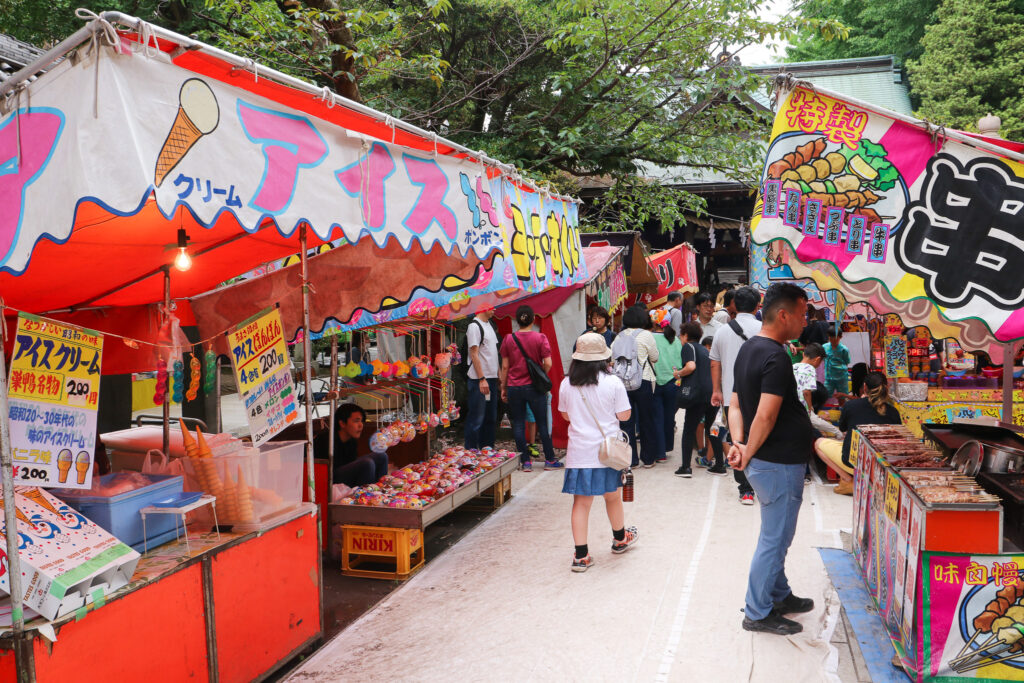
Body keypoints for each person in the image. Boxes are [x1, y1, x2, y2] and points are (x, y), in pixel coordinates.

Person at [726, 283, 815, 636]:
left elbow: (735, 405)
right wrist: (746, 448)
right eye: (802, 314)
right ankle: (758, 611)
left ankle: (779, 594)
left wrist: (739, 443)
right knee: (775, 539)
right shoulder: (776, 356)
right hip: (777, 462)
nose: (804, 322)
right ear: (783, 315)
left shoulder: (751, 348)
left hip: (766, 460)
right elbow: (765, 415)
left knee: (776, 533)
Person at [557, 333, 638, 572]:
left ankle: (581, 556)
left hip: (579, 452)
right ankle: (620, 538)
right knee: (612, 496)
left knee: (581, 503)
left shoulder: (566, 383)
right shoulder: (613, 383)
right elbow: (625, 416)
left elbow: (565, 415)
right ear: (604, 357)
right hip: (607, 452)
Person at [710, 286, 762, 505]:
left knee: (737, 440)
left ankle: (746, 489)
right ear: (758, 306)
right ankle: (762, 483)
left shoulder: (722, 331)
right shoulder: (764, 328)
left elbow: (715, 363)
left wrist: (716, 390)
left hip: (733, 399)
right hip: (762, 396)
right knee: (760, 438)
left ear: (733, 305)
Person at [814, 372, 901, 495]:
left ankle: (847, 479)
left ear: (864, 387)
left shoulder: (851, 406)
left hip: (854, 461)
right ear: (886, 388)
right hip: (882, 464)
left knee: (818, 443)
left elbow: (843, 428)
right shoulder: (893, 411)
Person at [500, 305, 561, 471]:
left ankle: (525, 462)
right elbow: (548, 363)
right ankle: (549, 459)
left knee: (519, 424)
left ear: (517, 321)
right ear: (534, 319)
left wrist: (503, 387)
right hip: (534, 388)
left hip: (514, 386)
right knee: (542, 423)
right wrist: (539, 374)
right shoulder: (540, 338)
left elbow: (505, 367)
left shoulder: (508, 339)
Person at [676, 322, 727, 477]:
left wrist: (679, 373)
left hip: (697, 395)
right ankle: (719, 465)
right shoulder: (705, 351)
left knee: (689, 429)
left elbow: (690, 367)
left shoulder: (688, 347)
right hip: (711, 393)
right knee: (713, 430)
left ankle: (685, 467)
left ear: (685, 335)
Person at [615, 305, 661, 467]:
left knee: (626, 422)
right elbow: (654, 357)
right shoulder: (646, 335)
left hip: (622, 383)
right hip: (644, 381)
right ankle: (648, 459)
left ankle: (631, 460)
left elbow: (614, 356)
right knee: (646, 420)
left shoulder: (619, 336)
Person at [464, 307, 499, 450]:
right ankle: (471, 451)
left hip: (492, 377)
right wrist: (481, 378)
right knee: (476, 417)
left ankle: (487, 448)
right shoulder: (474, 326)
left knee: (490, 417)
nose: (495, 309)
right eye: (492, 306)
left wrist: (499, 375)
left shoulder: (489, 324)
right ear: (483, 306)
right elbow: (474, 354)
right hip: (479, 378)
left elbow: (493, 353)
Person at [651, 309, 682, 464]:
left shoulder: (650, 338)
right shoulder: (675, 339)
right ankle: (668, 446)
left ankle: (660, 452)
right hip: (674, 382)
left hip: (655, 382)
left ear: (654, 322)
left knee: (657, 417)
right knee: (669, 416)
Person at [332, 403, 389, 487]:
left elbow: (352, 462)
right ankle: (367, 496)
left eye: (361, 421)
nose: (361, 425)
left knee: (381, 455)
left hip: (346, 471)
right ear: (342, 423)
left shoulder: (351, 439)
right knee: (367, 463)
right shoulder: (328, 440)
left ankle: (382, 489)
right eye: (356, 421)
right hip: (332, 477)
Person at [794, 343, 842, 440]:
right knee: (813, 419)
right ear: (817, 359)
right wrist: (810, 406)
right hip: (802, 406)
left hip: (792, 405)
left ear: (803, 355)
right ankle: (839, 433)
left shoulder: (794, 366)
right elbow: (806, 392)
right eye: (820, 362)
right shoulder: (810, 369)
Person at [823, 328, 852, 397]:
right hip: (828, 377)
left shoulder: (844, 349)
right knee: (825, 395)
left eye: (835, 338)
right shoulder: (824, 347)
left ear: (840, 337)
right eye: (830, 337)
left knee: (842, 396)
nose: (832, 340)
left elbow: (847, 362)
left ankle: (842, 407)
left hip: (841, 377)